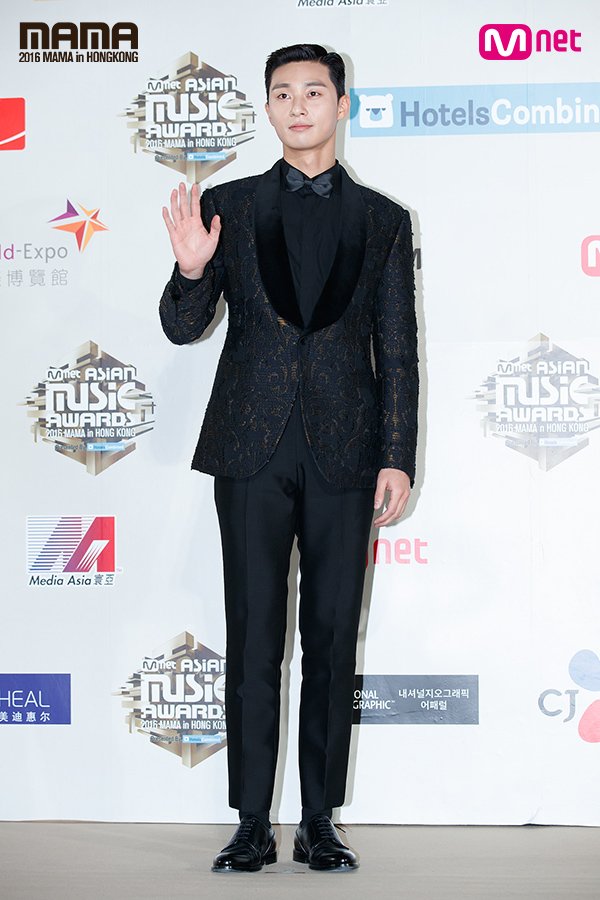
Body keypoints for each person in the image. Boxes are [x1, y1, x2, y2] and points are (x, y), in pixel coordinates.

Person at [159, 42, 418, 873]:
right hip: (251, 449)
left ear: (341, 104)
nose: (298, 105)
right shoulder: (229, 205)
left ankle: (317, 821)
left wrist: (397, 454)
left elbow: (398, 349)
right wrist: (189, 271)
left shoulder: (383, 220)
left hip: (347, 453)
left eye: (313, 91)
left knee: (334, 641)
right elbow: (182, 326)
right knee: (253, 639)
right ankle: (248, 822)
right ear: (267, 108)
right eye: (282, 93)